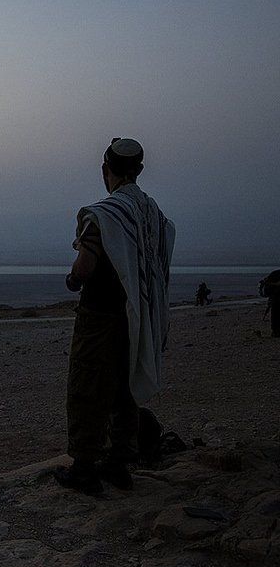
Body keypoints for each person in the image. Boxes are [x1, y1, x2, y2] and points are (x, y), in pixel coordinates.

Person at [55, 138, 175, 495]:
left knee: (88, 386)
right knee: (125, 388)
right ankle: (119, 462)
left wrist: (73, 279)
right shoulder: (153, 214)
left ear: (106, 170)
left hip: (100, 316)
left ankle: (85, 467)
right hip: (138, 316)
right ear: (138, 170)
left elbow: (86, 264)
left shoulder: (105, 214)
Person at [260, 270, 280, 337]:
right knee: (275, 313)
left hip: (275, 297)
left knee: (275, 313)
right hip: (275, 297)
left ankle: (275, 331)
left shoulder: (275, 273)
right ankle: (275, 331)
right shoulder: (275, 274)